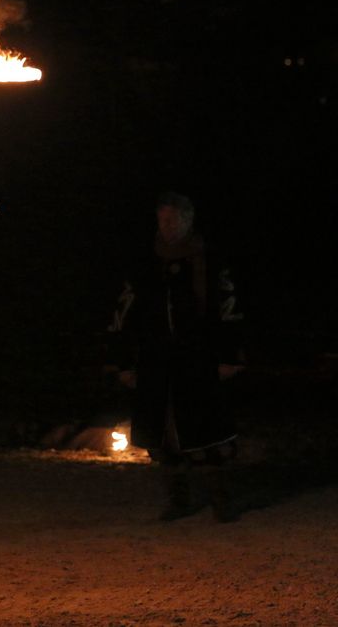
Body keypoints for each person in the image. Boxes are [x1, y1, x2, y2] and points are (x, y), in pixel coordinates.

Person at [108, 192, 245, 521]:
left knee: (207, 430)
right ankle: (178, 500)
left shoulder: (209, 261)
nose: (167, 226)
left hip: (198, 359)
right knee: (163, 434)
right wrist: (123, 362)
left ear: (188, 220)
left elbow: (229, 311)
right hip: (156, 360)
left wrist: (230, 356)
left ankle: (221, 500)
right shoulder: (145, 262)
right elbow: (123, 314)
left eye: (174, 219)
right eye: (162, 219)